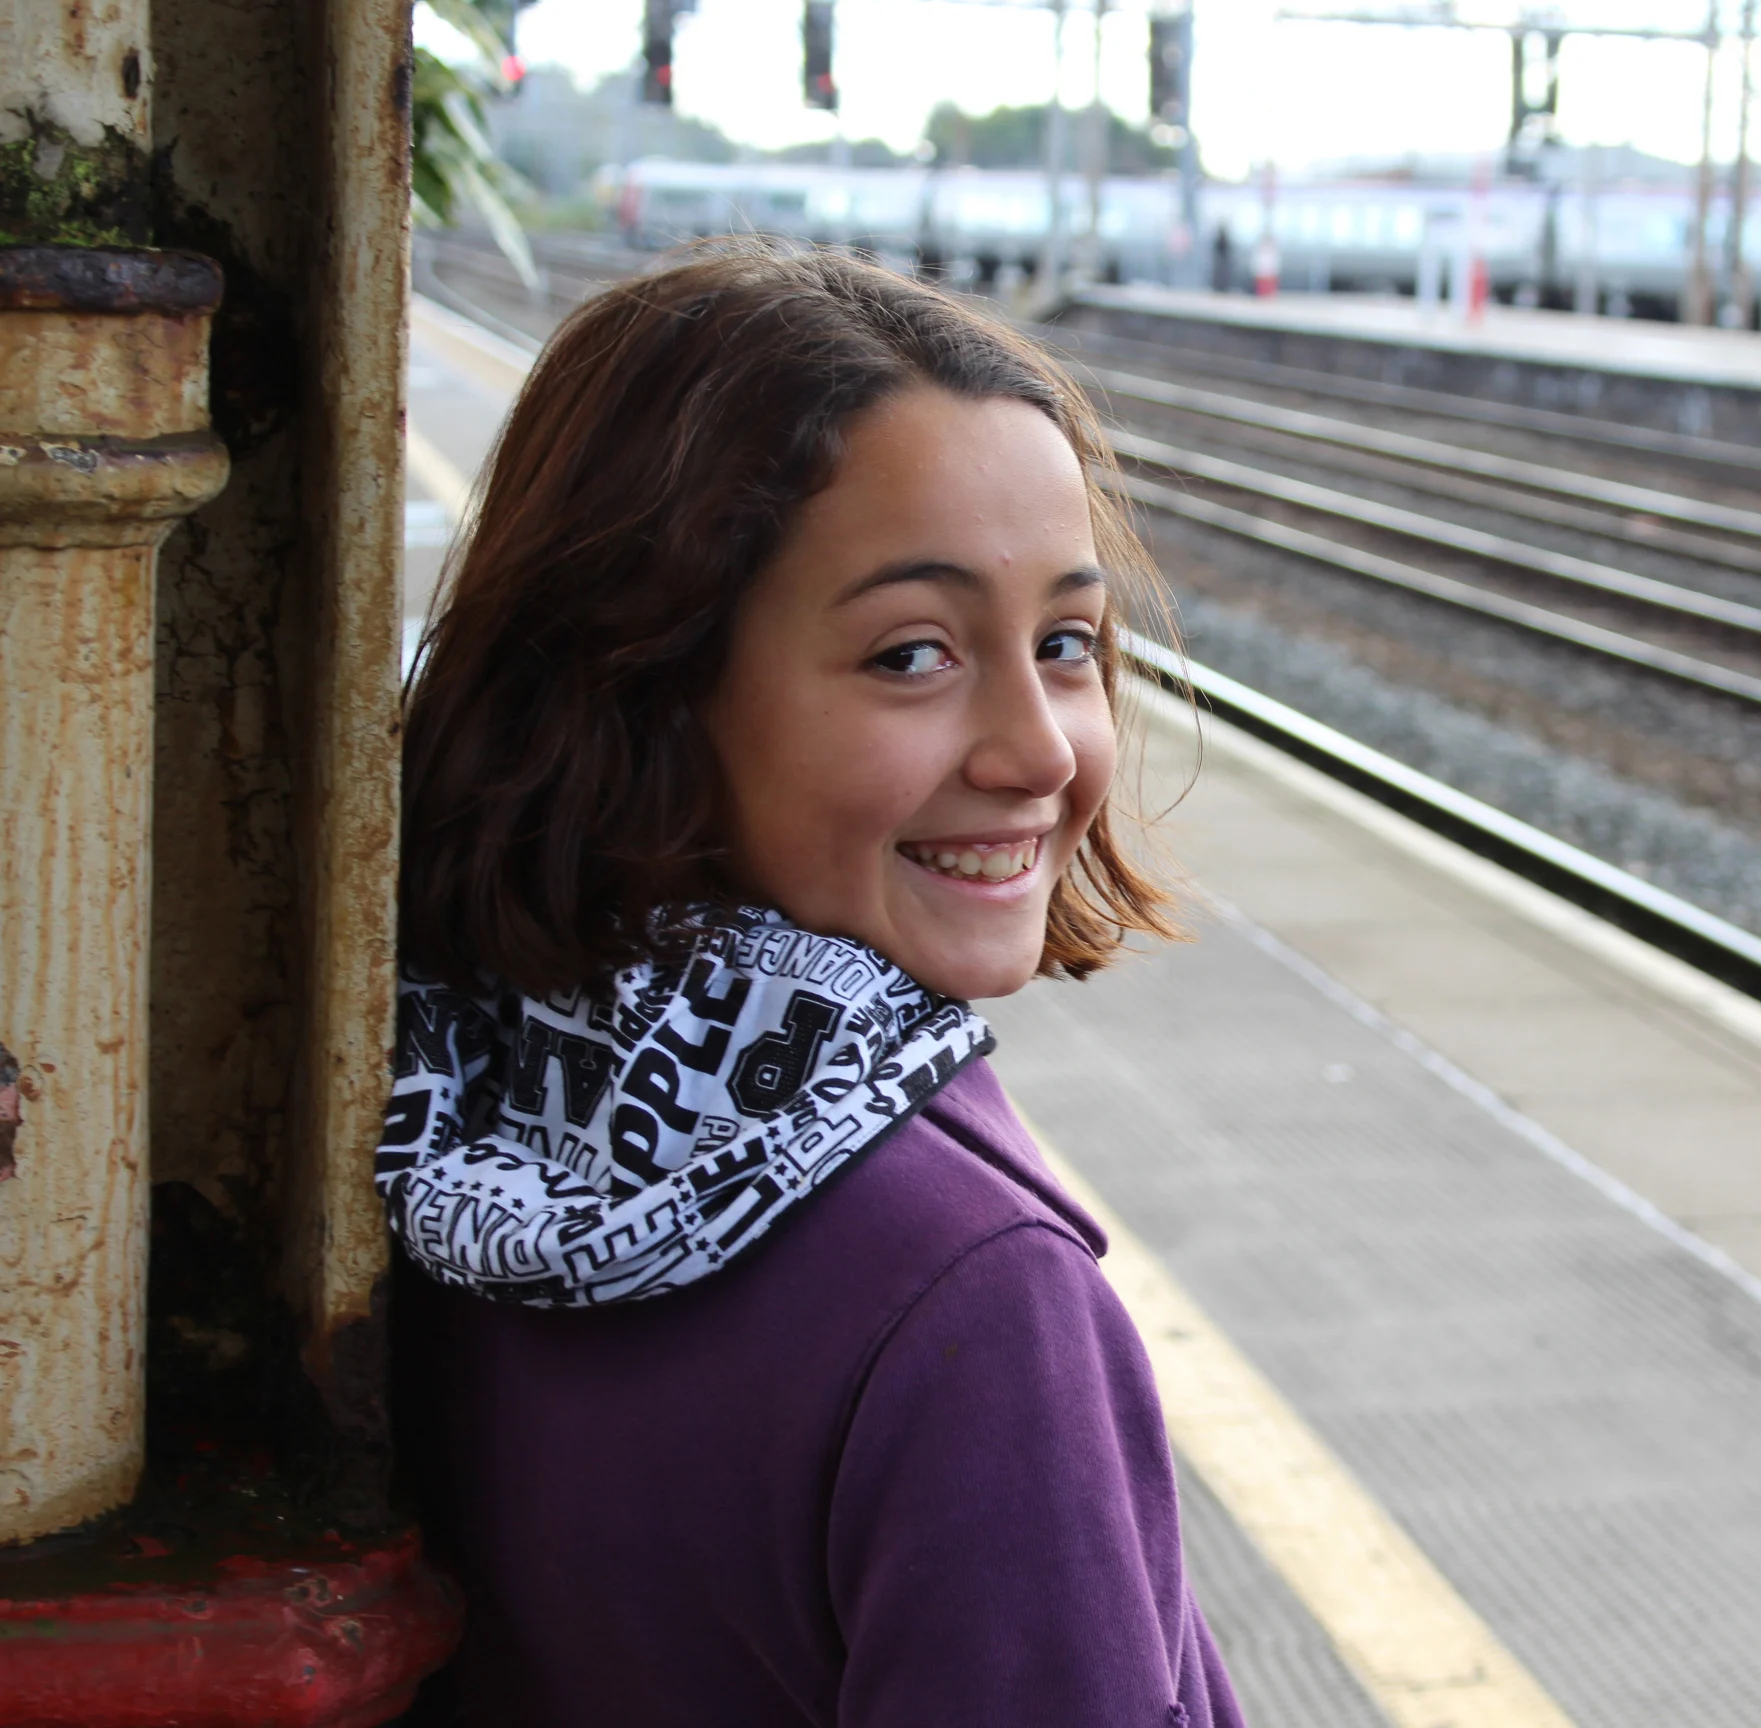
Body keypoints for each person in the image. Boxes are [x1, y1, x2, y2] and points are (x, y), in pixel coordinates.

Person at [384, 242, 1237, 1728]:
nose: (1040, 748)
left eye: (1066, 644)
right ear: (642, 689)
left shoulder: (436, 1101)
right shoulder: (975, 1311)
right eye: (911, 654)